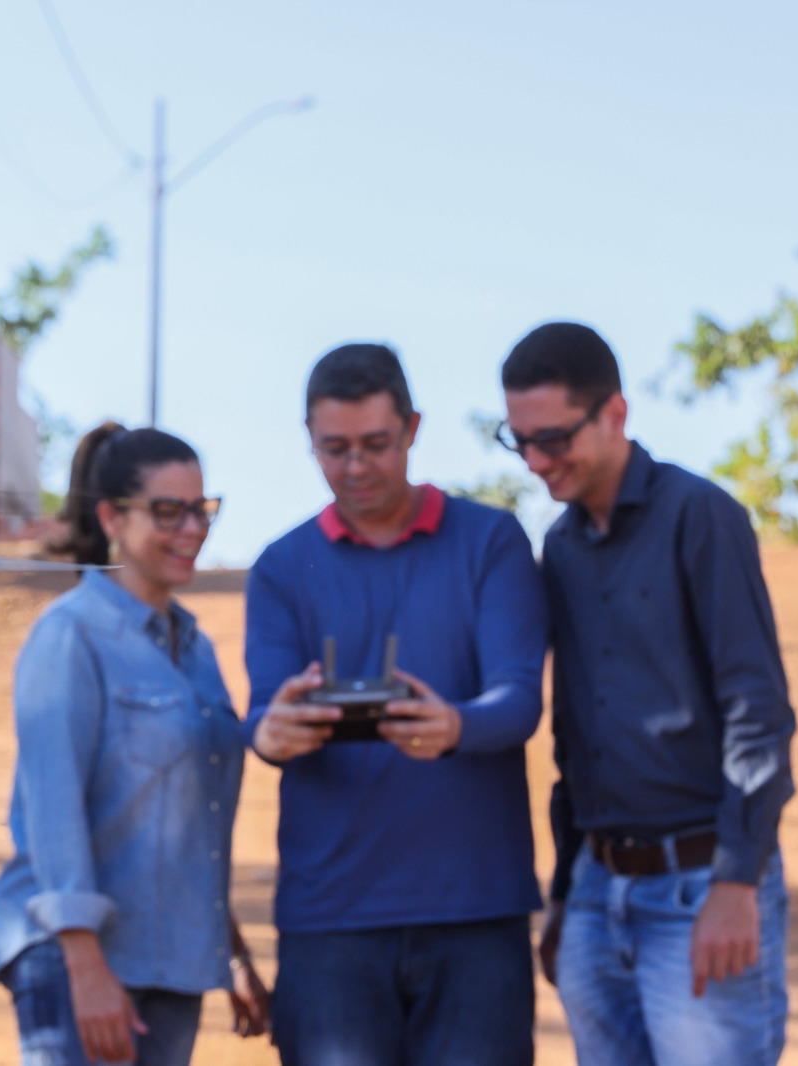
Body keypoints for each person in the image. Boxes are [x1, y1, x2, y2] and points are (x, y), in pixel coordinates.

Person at [498, 322, 795, 1066]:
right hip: (597, 892)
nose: (536, 461)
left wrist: (736, 883)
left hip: (703, 885)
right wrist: (569, 895)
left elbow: (757, 712)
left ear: (616, 416)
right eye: (520, 440)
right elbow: (573, 733)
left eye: (555, 439)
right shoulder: (559, 547)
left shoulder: (701, 516)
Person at [245, 343, 548, 1066]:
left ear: (413, 428)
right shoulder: (282, 567)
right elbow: (261, 718)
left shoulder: (491, 540)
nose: (355, 467)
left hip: (475, 910)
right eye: (334, 448)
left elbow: (520, 699)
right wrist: (276, 731)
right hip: (330, 922)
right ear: (308, 440)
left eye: (376, 445)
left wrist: (456, 726)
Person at [0, 421, 269, 1066]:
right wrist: (84, 965)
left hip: (175, 957)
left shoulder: (195, 649)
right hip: (78, 958)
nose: (193, 528)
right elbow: (52, 811)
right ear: (112, 516)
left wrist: (234, 953)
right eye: (169, 512)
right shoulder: (70, 637)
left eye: (202, 510)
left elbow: (196, 823)